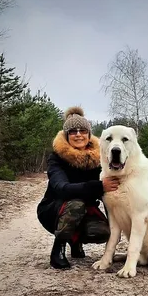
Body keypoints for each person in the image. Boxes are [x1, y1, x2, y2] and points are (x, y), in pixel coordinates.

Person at [37, 106, 119, 269]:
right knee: (76, 204)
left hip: (84, 210)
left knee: (102, 231)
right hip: (53, 210)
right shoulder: (57, 158)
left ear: (89, 134)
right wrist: (99, 186)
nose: (79, 134)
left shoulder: (98, 159)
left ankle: (75, 243)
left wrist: (113, 230)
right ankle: (58, 249)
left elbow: (108, 195)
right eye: (73, 131)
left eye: (83, 130)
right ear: (67, 135)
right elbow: (62, 188)